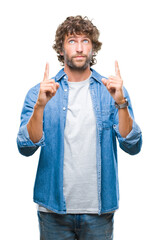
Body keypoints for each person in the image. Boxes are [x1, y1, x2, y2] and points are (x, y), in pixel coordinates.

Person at [17, 15, 142, 240]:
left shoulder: (111, 91)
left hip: (99, 211)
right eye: (72, 41)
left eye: (85, 41)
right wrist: (40, 107)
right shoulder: (39, 93)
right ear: (61, 49)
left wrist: (121, 104)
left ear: (93, 49)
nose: (80, 48)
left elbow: (132, 145)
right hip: (53, 209)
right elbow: (25, 147)